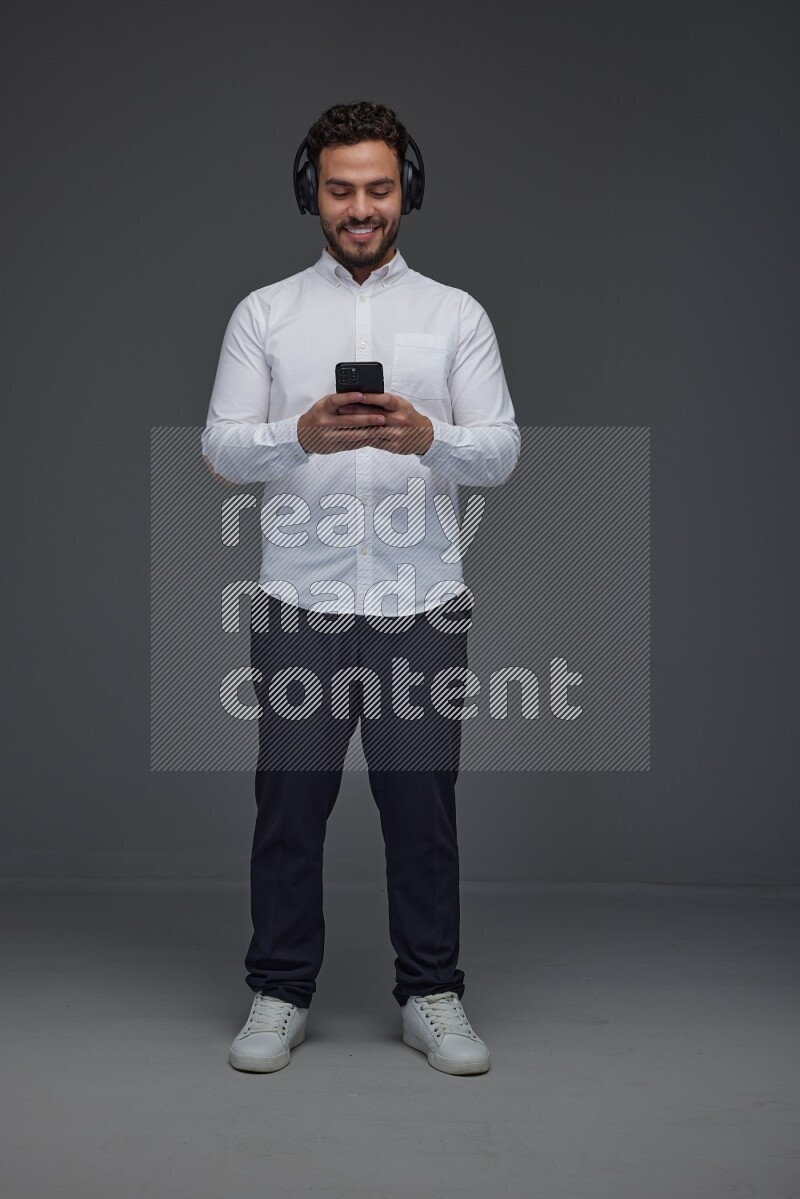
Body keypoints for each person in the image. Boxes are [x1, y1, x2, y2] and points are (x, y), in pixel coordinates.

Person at [201, 101, 520, 1076]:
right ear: (312, 192)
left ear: (405, 189)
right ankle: (278, 989)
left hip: (421, 599)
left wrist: (432, 440)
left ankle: (431, 990)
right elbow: (219, 447)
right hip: (301, 597)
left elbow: (500, 451)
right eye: (340, 188)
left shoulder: (454, 314)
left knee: (419, 801)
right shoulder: (264, 313)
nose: (359, 206)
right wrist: (296, 434)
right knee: (289, 800)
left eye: (377, 187)